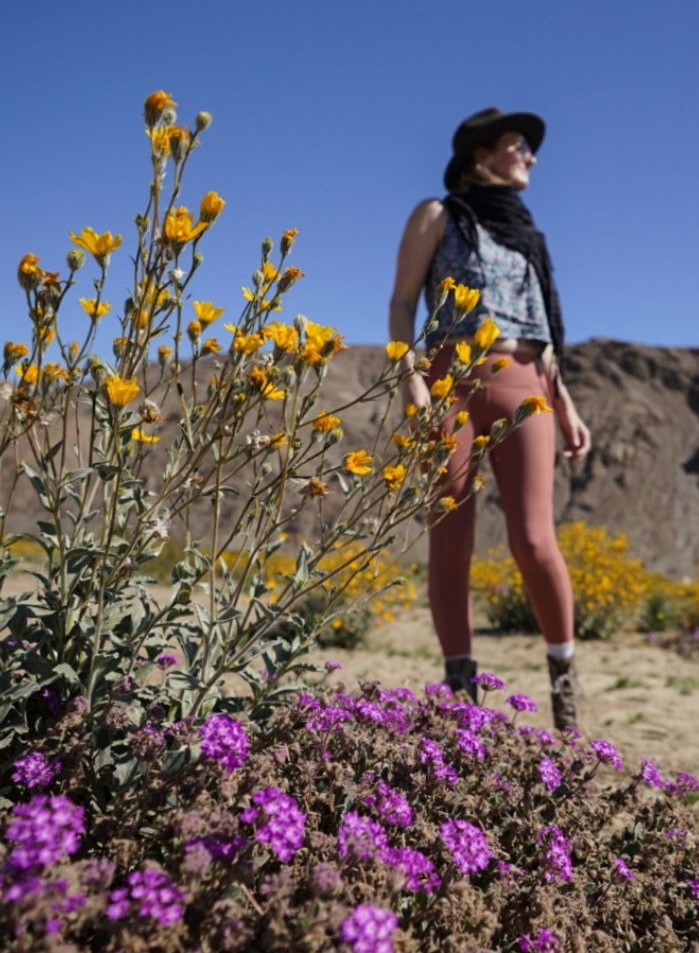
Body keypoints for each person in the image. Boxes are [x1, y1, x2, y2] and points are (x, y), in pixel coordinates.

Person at [388, 107, 591, 729]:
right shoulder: (438, 215)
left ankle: (564, 684)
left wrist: (567, 403)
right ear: (482, 156)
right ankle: (459, 690)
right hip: (450, 380)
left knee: (534, 539)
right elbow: (401, 304)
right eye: (518, 145)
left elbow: (544, 328)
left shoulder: (529, 235)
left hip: (527, 380)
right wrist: (412, 380)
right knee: (451, 537)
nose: (530, 156)